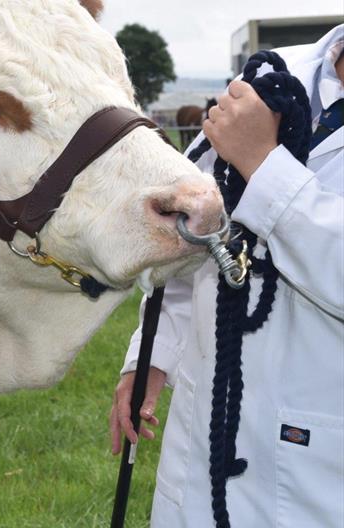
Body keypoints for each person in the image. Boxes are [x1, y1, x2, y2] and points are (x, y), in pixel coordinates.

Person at [109, 25, 344, 527]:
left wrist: (264, 166)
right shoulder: (273, 70)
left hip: (318, 472)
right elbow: (202, 224)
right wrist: (154, 355)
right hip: (200, 438)